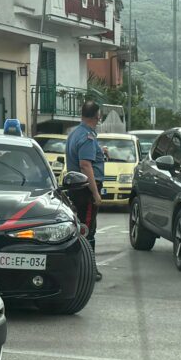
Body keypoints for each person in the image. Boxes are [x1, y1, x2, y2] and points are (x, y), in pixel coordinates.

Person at [65, 100, 104, 282]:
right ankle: (88, 269)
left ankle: (83, 266)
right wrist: (95, 194)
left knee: (83, 227)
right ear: (97, 116)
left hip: (77, 188)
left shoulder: (76, 134)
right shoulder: (87, 136)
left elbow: (86, 157)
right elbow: (85, 165)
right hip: (86, 189)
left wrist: (100, 151)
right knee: (87, 230)